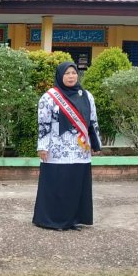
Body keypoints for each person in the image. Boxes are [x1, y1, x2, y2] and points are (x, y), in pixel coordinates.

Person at [33, 61, 102, 231]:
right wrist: (42, 146)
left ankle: (73, 219)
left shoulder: (87, 96)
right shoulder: (49, 97)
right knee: (58, 184)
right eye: (67, 73)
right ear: (60, 75)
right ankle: (52, 221)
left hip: (80, 149)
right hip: (56, 149)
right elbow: (43, 124)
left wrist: (95, 143)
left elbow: (92, 121)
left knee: (76, 184)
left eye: (74, 73)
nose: (71, 76)